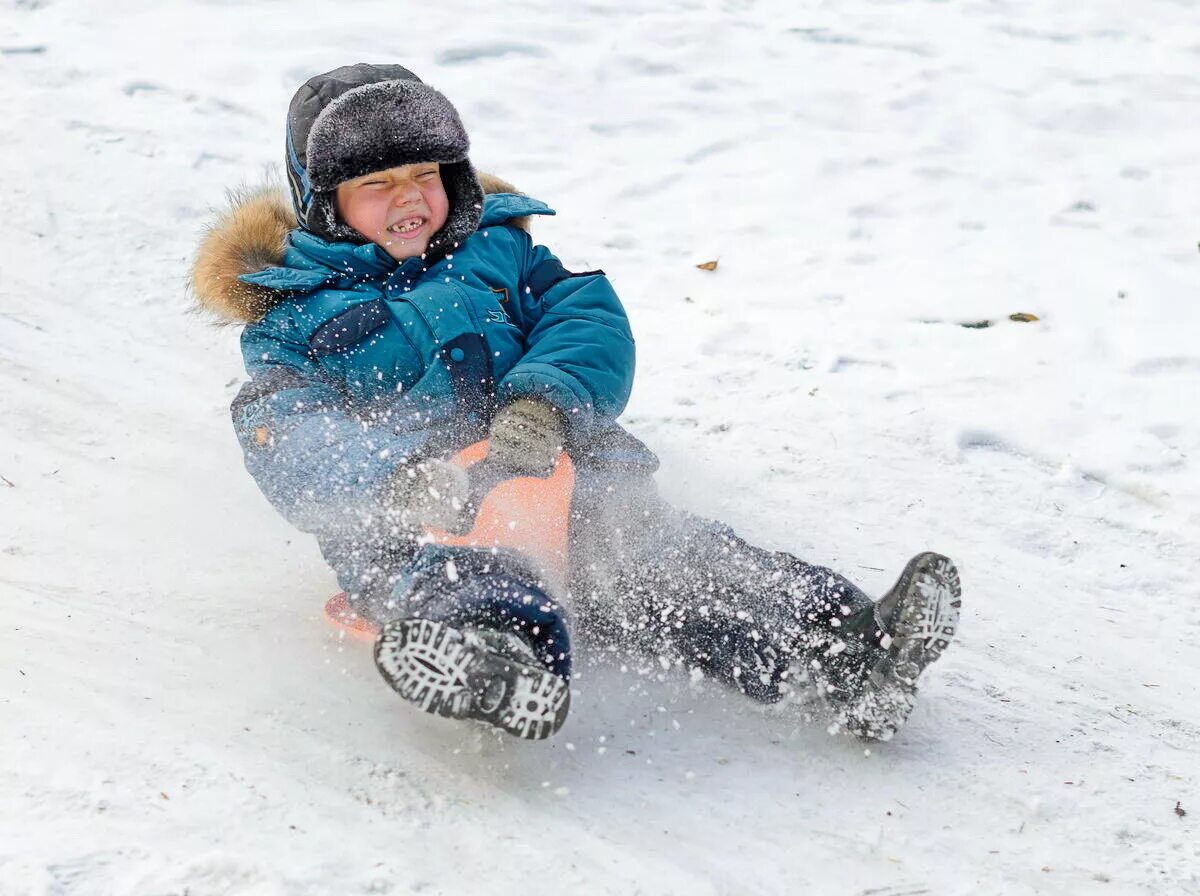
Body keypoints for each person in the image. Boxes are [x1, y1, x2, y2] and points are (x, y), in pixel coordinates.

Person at [192, 63, 961, 742]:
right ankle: (499, 665)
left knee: (682, 563)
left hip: (564, 476)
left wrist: (542, 403)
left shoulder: (502, 251)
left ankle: (850, 653)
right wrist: (396, 477)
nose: (410, 200)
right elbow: (286, 435)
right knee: (474, 577)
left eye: (423, 174)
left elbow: (585, 321)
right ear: (325, 204)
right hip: (425, 524)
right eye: (376, 186)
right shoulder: (291, 319)